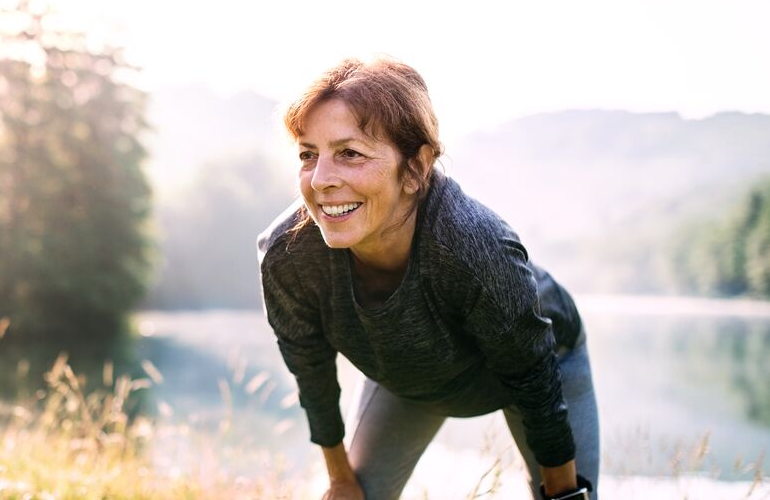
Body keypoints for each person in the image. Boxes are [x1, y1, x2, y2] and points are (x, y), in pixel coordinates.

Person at [257, 56, 599, 500]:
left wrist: (563, 493)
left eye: (350, 154)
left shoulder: (475, 246)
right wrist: (341, 481)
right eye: (308, 154)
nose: (321, 180)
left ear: (416, 168)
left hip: (542, 365)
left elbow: (532, 376)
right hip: (407, 375)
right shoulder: (286, 254)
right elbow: (309, 367)